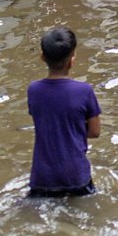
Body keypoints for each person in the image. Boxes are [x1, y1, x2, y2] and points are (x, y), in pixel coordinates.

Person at [27, 27, 101, 198]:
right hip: (76, 175)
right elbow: (95, 132)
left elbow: (44, 121)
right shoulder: (84, 91)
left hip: (43, 177)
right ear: (72, 60)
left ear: (42, 57)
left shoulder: (34, 90)